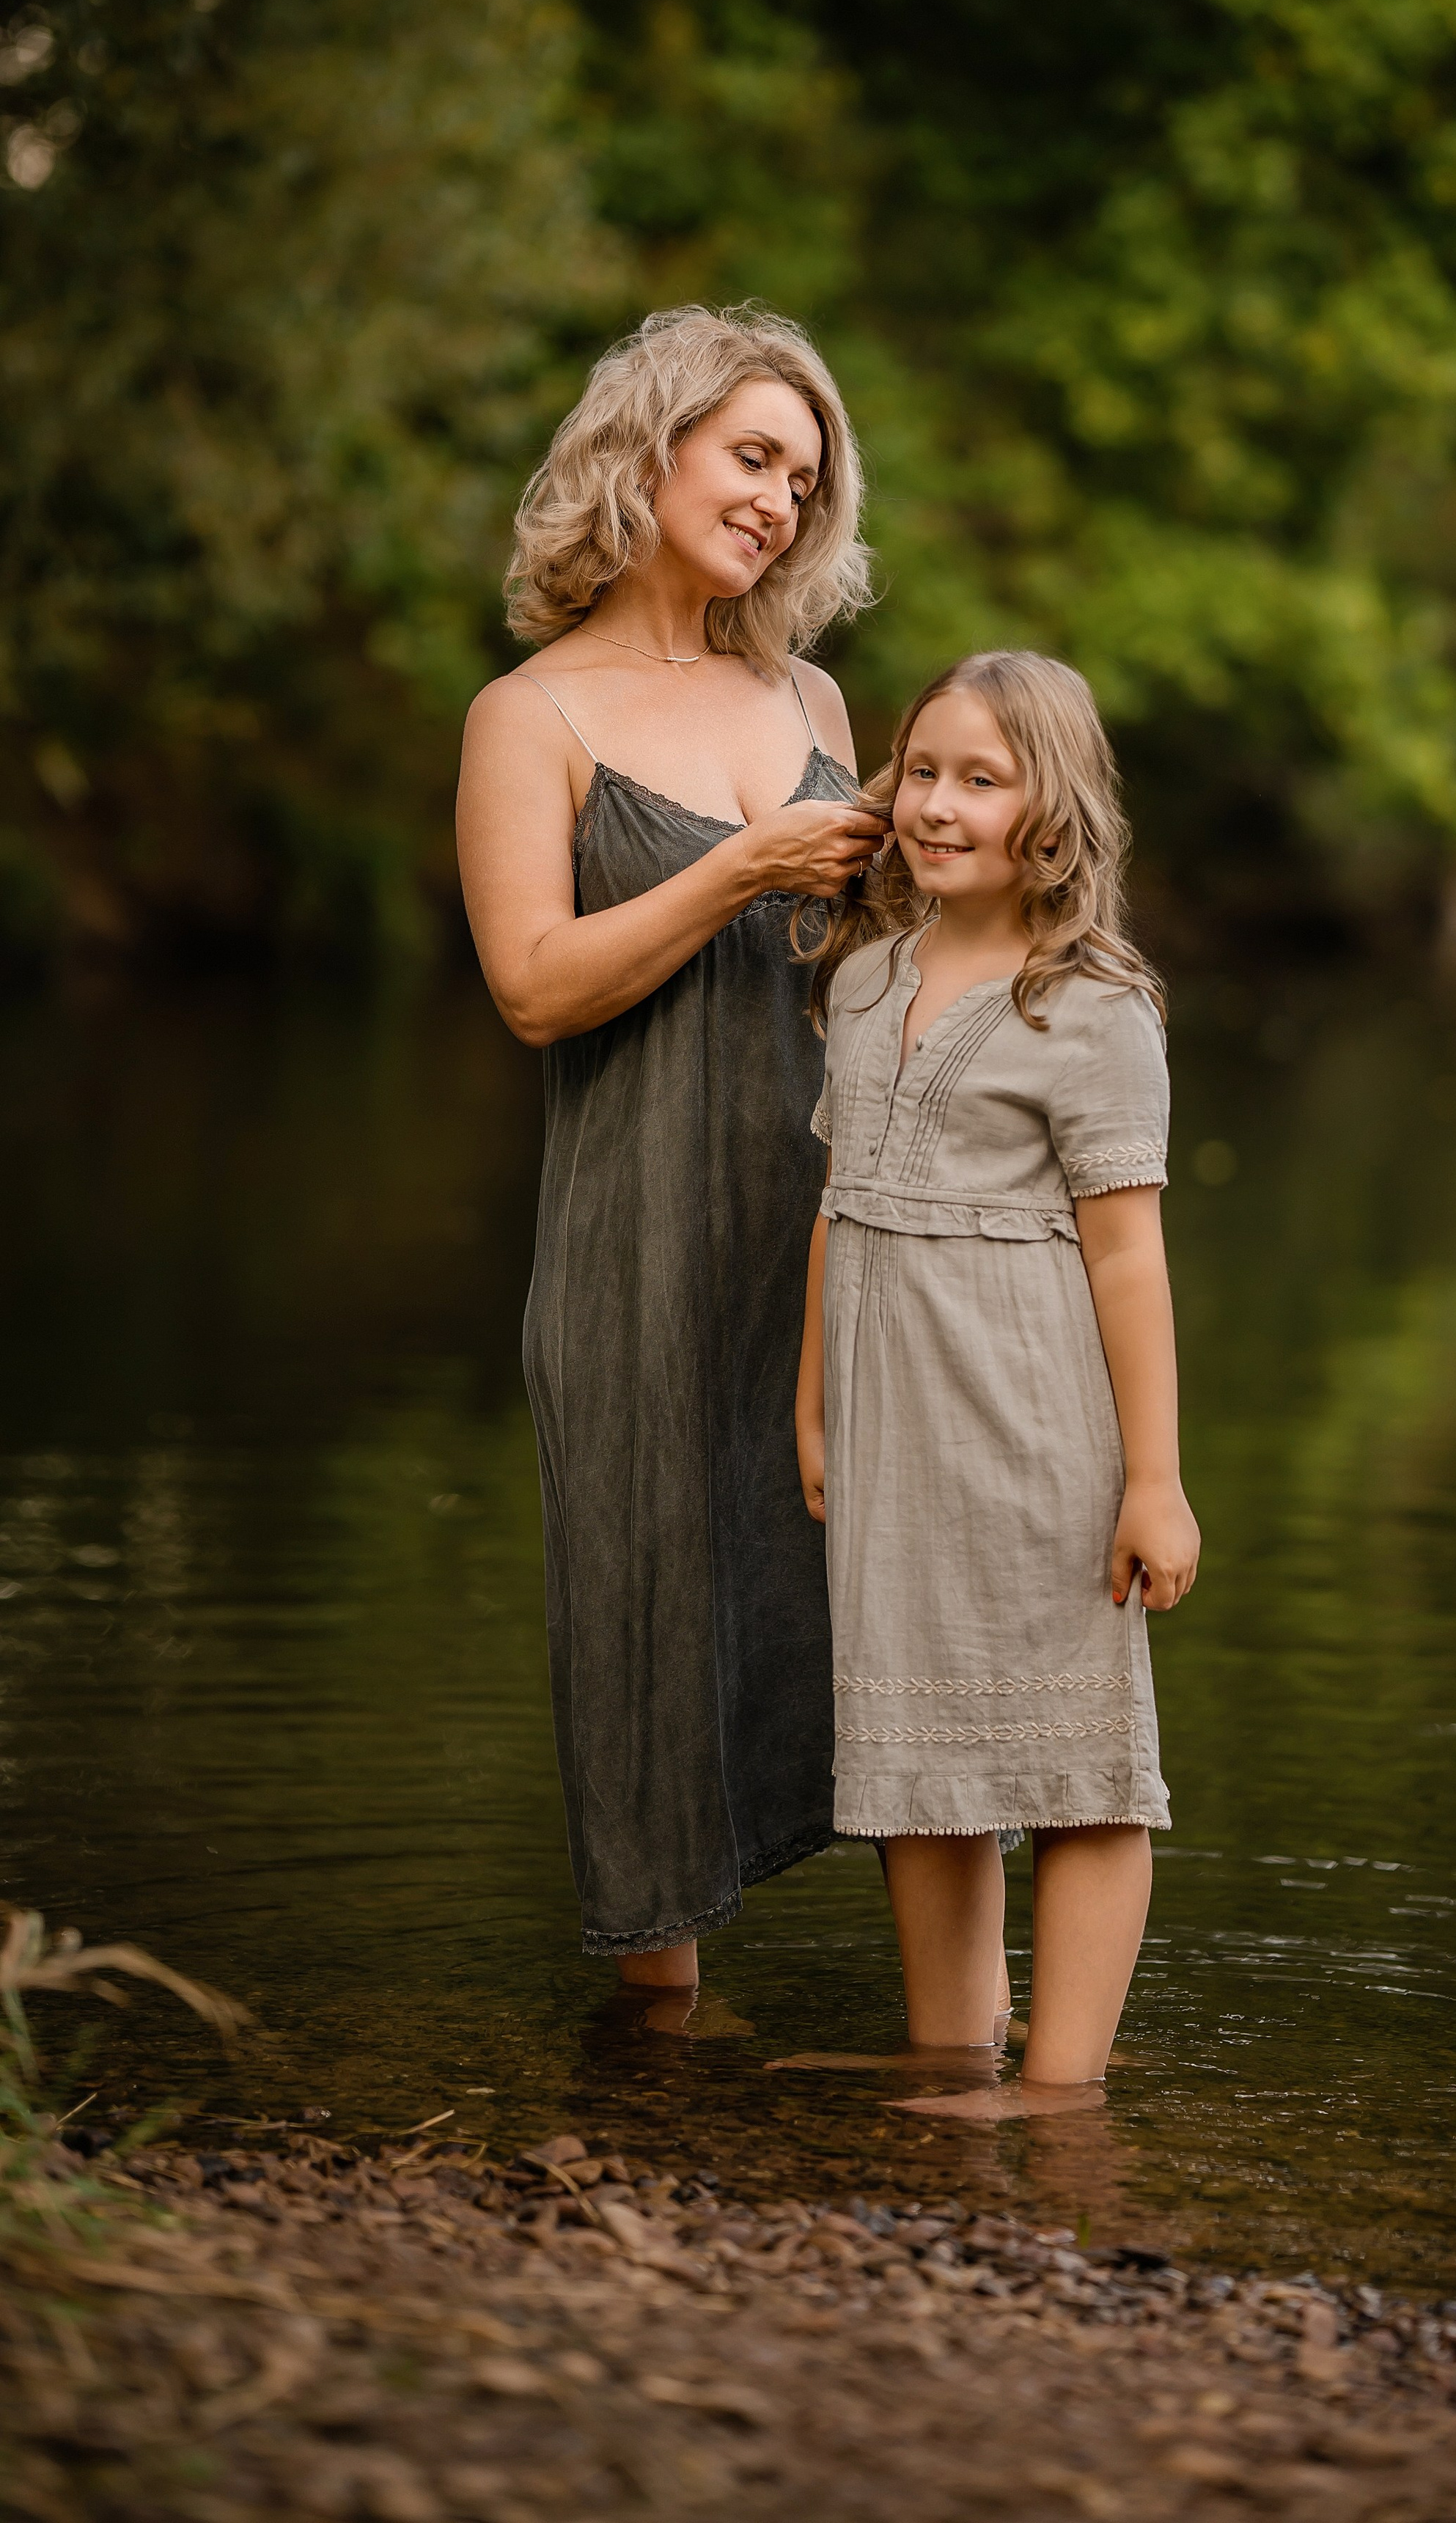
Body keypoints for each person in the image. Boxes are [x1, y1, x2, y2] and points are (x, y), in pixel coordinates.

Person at [456, 303, 885, 1987]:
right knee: (648, 1659)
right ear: (647, 453)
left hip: (833, 1247)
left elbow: (865, 987)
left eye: (805, 476)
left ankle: (965, 2071)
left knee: (882, 1639)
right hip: (633, 1256)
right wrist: (734, 868)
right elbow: (532, 991)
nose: (780, 499)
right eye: (752, 455)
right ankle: (660, 2072)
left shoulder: (816, 697)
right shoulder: (529, 717)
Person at [793, 651, 1201, 2115]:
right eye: (920, 771)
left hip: (1032, 1421)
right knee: (921, 1749)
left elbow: (1128, 1262)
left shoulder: (1089, 1006)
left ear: (1050, 808)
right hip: (895, 1423)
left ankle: (1061, 2084)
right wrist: (813, 1401)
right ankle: (949, 2048)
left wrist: (1150, 1481)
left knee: (1072, 1757)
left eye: (981, 778)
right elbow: (838, 1207)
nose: (937, 804)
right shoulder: (859, 980)